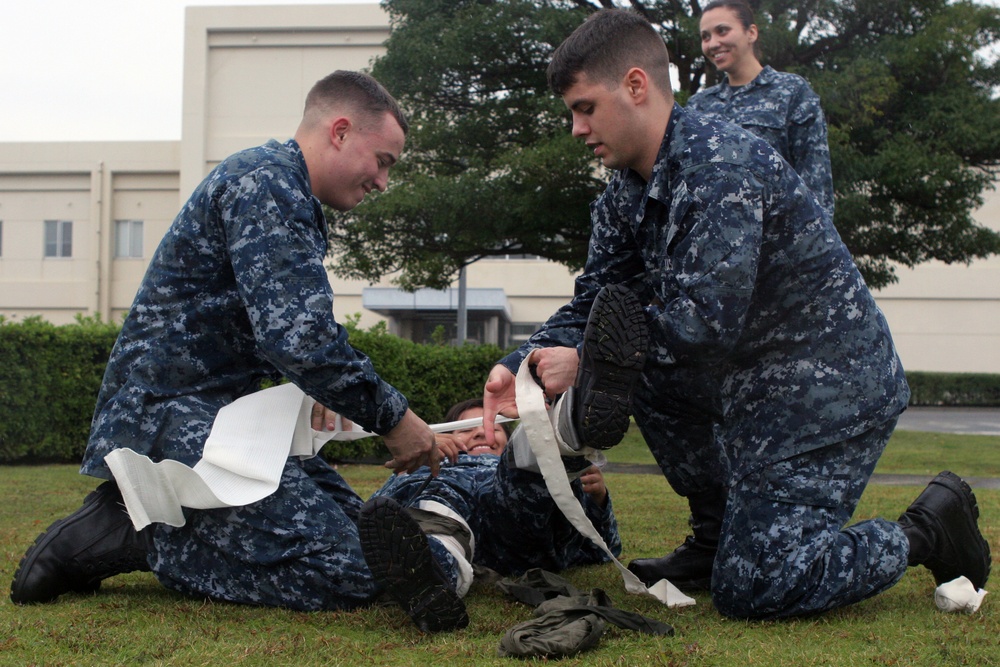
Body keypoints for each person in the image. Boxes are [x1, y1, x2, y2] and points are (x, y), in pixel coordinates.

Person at [482, 8, 990, 620]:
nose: (575, 128)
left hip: (824, 388)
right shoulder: (626, 187)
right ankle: (717, 532)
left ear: (636, 86)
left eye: (585, 107)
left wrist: (588, 361)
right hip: (748, 382)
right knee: (637, 369)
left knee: (760, 588)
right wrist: (523, 365)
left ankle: (928, 528)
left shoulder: (721, 167)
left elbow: (701, 328)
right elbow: (597, 297)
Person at [10, 71, 470, 633]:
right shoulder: (266, 183)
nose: (382, 180)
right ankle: (140, 530)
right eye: (383, 161)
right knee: (351, 573)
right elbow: (299, 338)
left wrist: (310, 392)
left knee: (376, 545)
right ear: (341, 131)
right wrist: (395, 420)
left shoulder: (285, 190)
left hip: (228, 426)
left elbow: (275, 335)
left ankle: (165, 518)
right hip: (169, 420)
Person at [367, 395, 620, 597]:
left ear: (506, 440)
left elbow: (604, 551)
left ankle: (571, 417)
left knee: (532, 464)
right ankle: (435, 569)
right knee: (438, 493)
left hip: (515, 525)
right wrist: (420, 457)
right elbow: (373, 515)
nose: (480, 432)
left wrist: (598, 500)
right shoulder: (429, 468)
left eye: (492, 427)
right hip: (446, 512)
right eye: (466, 429)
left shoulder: (510, 469)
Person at [686, 0, 834, 220]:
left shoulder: (792, 92)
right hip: (713, 249)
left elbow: (816, 183)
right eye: (705, 37)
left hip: (777, 246)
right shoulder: (697, 106)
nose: (713, 43)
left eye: (722, 31)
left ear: (751, 33)